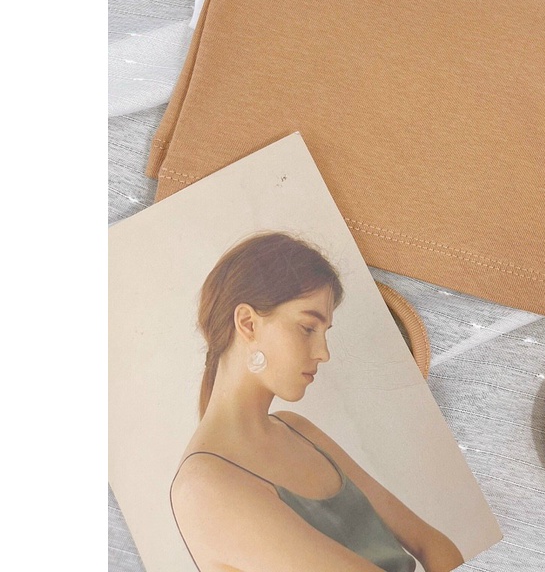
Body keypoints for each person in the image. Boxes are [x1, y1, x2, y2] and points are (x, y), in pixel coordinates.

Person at [170, 232, 465, 572]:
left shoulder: (296, 428)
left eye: (325, 333)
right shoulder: (204, 487)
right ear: (248, 324)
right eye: (308, 328)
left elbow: (432, 542)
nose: (324, 353)